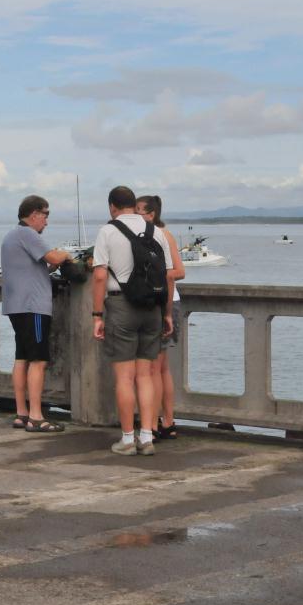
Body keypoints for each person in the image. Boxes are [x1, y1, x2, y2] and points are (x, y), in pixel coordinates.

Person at [91, 185, 175, 456]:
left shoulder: (108, 231)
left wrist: (97, 315)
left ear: (112, 206)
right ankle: (148, 436)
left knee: (125, 378)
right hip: (152, 307)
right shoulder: (157, 231)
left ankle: (128, 439)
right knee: (146, 376)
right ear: (132, 204)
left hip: (121, 306)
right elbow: (168, 275)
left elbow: (100, 276)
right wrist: (167, 313)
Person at [0, 196, 75, 432]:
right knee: (38, 361)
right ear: (34, 214)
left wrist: (51, 263)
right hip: (33, 307)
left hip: (16, 305)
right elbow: (53, 257)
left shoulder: (11, 235)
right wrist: (67, 255)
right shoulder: (28, 234)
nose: (47, 221)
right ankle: (36, 416)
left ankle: (22, 413)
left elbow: (38, 266)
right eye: (46, 215)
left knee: (22, 358)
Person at [137, 195, 186, 439]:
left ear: (151, 214)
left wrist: (158, 278)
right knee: (161, 368)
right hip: (167, 302)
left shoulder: (159, 235)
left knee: (155, 368)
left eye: (139, 211)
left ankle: (155, 424)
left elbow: (178, 271)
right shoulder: (156, 235)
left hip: (165, 304)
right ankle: (167, 421)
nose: (135, 216)